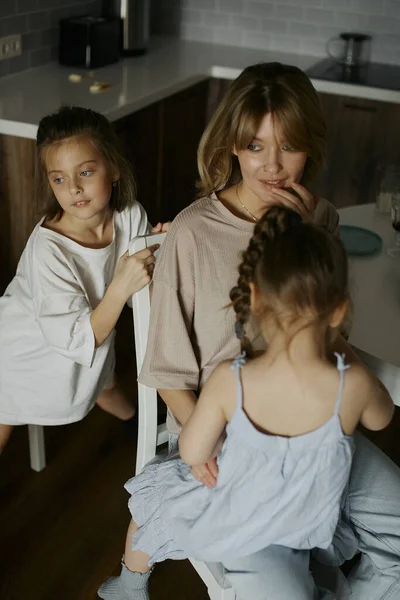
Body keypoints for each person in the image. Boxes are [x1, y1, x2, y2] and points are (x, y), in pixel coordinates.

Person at [124, 62, 400, 599]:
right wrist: (221, 445)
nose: (272, 165)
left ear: (310, 147)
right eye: (255, 147)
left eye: (288, 146)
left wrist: (310, 230)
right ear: (231, 146)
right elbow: (167, 373)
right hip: (234, 438)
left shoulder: (321, 218)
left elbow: (326, 329)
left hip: (321, 434)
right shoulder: (193, 234)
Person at [97, 205, 394, 600]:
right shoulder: (351, 385)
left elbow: (192, 448)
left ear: (255, 299)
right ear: (338, 309)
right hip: (306, 523)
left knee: (164, 504)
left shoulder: (230, 379)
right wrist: (343, 356)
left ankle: (130, 583)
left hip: (248, 527)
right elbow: (381, 417)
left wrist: (217, 446)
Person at [0, 105, 167, 453]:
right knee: (5, 412)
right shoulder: (49, 249)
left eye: (86, 172)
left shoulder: (129, 214)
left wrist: (158, 251)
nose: (74, 188)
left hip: (92, 331)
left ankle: (139, 422)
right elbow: (77, 337)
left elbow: (144, 295)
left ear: (114, 168)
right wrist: (122, 285)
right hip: (25, 345)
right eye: (59, 178)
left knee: (103, 382)